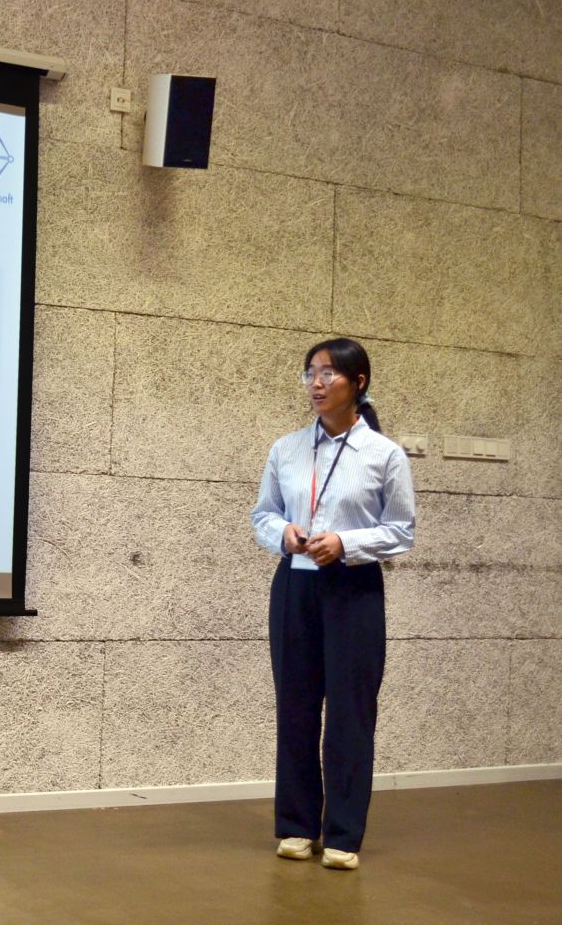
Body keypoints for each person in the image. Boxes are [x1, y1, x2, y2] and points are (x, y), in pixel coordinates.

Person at [249, 337, 416, 871]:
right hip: (294, 588)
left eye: (328, 374)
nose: (316, 384)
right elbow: (263, 515)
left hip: (354, 590)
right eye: (310, 373)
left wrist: (346, 542)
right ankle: (297, 825)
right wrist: (284, 534)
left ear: (358, 382)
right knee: (296, 708)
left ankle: (343, 833)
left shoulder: (384, 455)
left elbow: (401, 530)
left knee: (350, 712)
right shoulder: (286, 449)